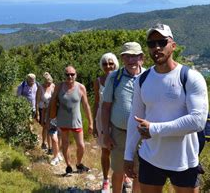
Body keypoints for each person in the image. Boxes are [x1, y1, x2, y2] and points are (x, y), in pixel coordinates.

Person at [124, 23, 209, 193]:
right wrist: (128, 155)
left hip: (184, 159)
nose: (156, 47)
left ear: (173, 46)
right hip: (150, 158)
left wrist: (154, 129)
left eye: (162, 42)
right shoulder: (142, 80)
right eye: (151, 44)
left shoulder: (191, 77)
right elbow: (135, 118)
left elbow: (197, 121)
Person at [102, 42, 145, 193]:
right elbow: (105, 107)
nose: (131, 60)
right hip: (119, 133)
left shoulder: (149, 77)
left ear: (142, 58)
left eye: (135, 56)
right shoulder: (114, 78)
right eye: (128, 56)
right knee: (119, 170)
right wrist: (106, 134)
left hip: (142, 134)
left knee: (139, 172)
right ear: (123, 58)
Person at [49, 65, 93, 176]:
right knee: (65, 143)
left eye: (72, 74)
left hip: (76, 120)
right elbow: (53, 101)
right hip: (63, 120)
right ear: (64, 75)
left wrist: (91, 122)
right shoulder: (59, 86)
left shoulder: (81, 87)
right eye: (67, 74)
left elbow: (86, 105)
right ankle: (68, 165)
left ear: (76, 75)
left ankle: (78, 163)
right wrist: (50, 116)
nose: (70, 76)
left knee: (81, 145)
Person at [93, 52, 120, 192]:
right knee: (105, 150)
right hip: (102, 119)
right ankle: (105, 180)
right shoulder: (98, 81)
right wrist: (92, 123)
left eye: (111, 63)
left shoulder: (121, 79)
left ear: (115, 63)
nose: (108, 66)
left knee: (120, 148)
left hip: (117, 118)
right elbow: (97, 102)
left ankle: (123, 176)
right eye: (105, 63)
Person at [36, 72, 55, 153]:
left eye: (50, 83)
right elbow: (37, 101)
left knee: (48, 127)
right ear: (44, 82)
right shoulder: (40, 88)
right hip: (42, 110)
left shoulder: (53, 86)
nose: (48, 84)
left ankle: (47, 145)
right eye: (47, 83)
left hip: (50, 110)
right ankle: (46, 144)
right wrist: (37, 113)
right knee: (46, 127)